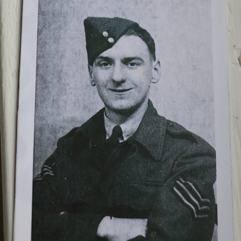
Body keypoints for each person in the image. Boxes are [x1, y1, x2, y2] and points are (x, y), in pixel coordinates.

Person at [32, 17, 216, 241]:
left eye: (131, 63)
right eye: (105, 63)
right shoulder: (70, 147)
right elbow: (27, 222)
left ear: (155, 71)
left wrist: (71, 223)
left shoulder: (190, 155)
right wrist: (109, 226)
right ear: (91, 73)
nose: (117, 77)